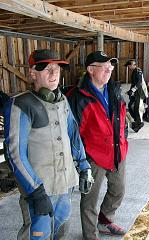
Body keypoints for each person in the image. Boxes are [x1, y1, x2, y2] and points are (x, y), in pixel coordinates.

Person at [3, 49, 93, 240]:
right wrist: (35, 191)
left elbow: (73, 136)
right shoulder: (21, 104)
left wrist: (84, 167)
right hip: (40, 189)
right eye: (46, 69)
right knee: (37, 235)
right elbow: (15, 154)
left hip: (66, 185)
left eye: (57, 69)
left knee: (61, 233)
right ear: (33, 73)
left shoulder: (63, 100)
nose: (54, 74)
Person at [67, 51, 128, 240]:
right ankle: (90, 234)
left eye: (111, 65)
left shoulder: (114, 90)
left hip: (117, 150)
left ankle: (105, 220)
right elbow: (73, 131)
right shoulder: (78, 96)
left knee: (118, 189)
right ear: (91, 69)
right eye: (104, 65)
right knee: (89, 199)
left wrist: (123, 138)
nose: (109, 68)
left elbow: (123, 118)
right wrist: (82, 160)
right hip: (93, 156)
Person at [125, 59, 148, 132]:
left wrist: (132, 90)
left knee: (137, 107)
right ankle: (135, 120)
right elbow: (134, 84)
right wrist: (130, 91)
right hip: (135, 92)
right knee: (130, 105)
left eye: (129, 65)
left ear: (132, 65)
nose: (128, 67)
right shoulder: (135, 71)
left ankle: (139, 123)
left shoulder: (138, 71)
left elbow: (139, 83)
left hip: (140, 92)